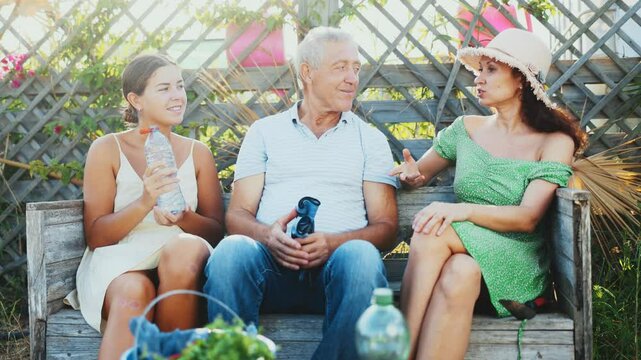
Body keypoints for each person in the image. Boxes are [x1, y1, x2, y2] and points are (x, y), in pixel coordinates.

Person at [203, 26, 399, 360]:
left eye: (356, 67)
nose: (353, 78)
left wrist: (332, 243)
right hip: (270, 270)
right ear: (307, 73)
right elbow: (236, 216)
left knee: (362, 258)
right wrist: (269, 236)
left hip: (338, 275)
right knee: (230, 252)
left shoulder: (370, 140)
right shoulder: (264, 132)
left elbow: (386, 227)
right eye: (341, 67)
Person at [390, 28, 588, 359]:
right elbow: (419, 174)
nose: (478, 79)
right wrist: (410, 176)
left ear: (521, 80)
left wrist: (461, 210)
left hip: (517, 261)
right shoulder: (465, 130)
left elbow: (528, 218)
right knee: (460, 271)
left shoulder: (553, 141)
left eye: (490, 70)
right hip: (466, 261)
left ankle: (397, 350)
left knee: (430, 231)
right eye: (479, 69)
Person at [65, 53, 225, 360]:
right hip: (121, 264)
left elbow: (217, 231)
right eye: (164, 88)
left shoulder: (198, 152)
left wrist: (184, 217)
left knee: (185, 248)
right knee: (133, 293)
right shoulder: (107, 149)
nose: (178, 96)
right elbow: (97, 236)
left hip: (182, 268)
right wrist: (145, 201)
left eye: (179, 86)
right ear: (136, 99)